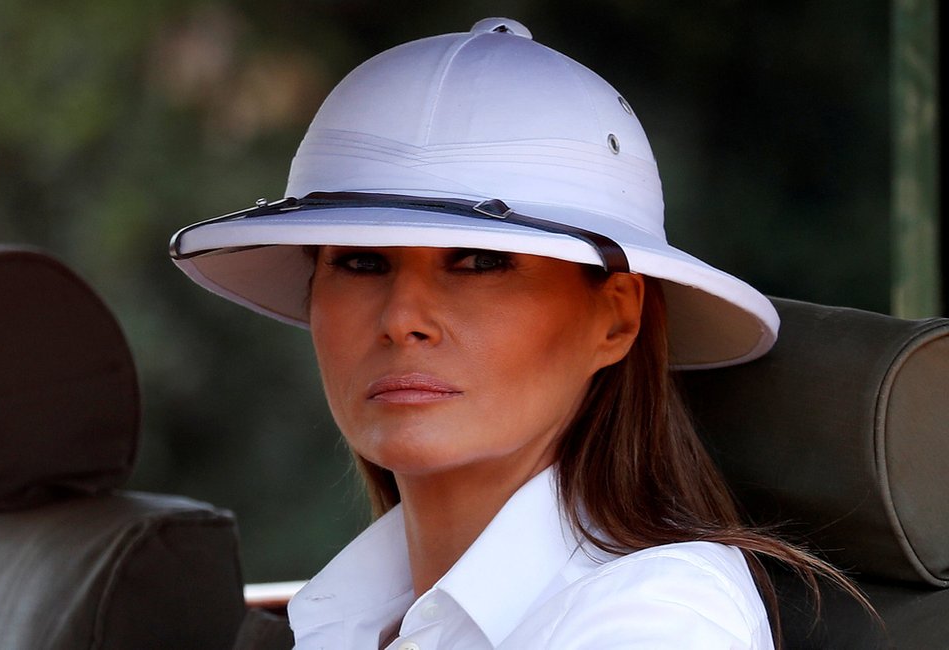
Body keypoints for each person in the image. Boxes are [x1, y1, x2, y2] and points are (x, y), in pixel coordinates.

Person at [170, 18, 862, 649]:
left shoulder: (660, 617)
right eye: (359, 261)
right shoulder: (343, 612)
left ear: (616, 317)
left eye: (480, 264)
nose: (402, 318)